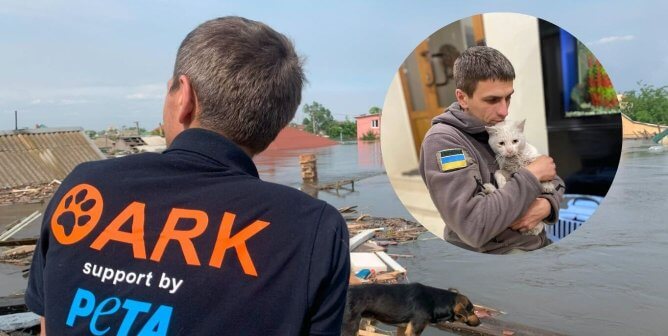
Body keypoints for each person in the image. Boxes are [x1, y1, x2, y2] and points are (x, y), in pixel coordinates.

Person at [26, 16, 350, 335]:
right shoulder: (313, 228)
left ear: (184, 97)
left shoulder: (83, 187)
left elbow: (48, 327)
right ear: (278, 123)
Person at [419, 46, 564, 254]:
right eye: (492, 100)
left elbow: (555, 181)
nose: (504, 111)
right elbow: (474, 226)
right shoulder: (444, 142)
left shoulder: (500, 128)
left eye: (508, 97)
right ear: (462, 98)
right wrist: (531, 176)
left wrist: (547, 205)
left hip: (537, 244)